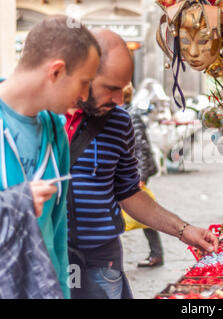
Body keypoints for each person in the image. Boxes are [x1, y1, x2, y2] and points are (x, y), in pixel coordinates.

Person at [65, 29, 218, 299]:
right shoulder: (42, 117)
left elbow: (128, 192)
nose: (119, 101)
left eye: (123, 88)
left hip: (101, 261)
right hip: (48, 259)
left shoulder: (119, 121)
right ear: (83, 75)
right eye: (110, 88)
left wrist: (184, 230)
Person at [0, 15, 101, 299]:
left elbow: (57, 235)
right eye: (84, 82)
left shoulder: (56, 132)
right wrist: (17, 202)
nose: (85, 96)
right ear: (56, 72)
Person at [121, 83, 164, 268]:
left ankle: (156, 254)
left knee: (145, 211)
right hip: (127, 172)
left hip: (135, 172)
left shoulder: (131, 115)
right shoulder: (124, 113)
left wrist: (140, 176)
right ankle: (156, 254)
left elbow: (140, 147)